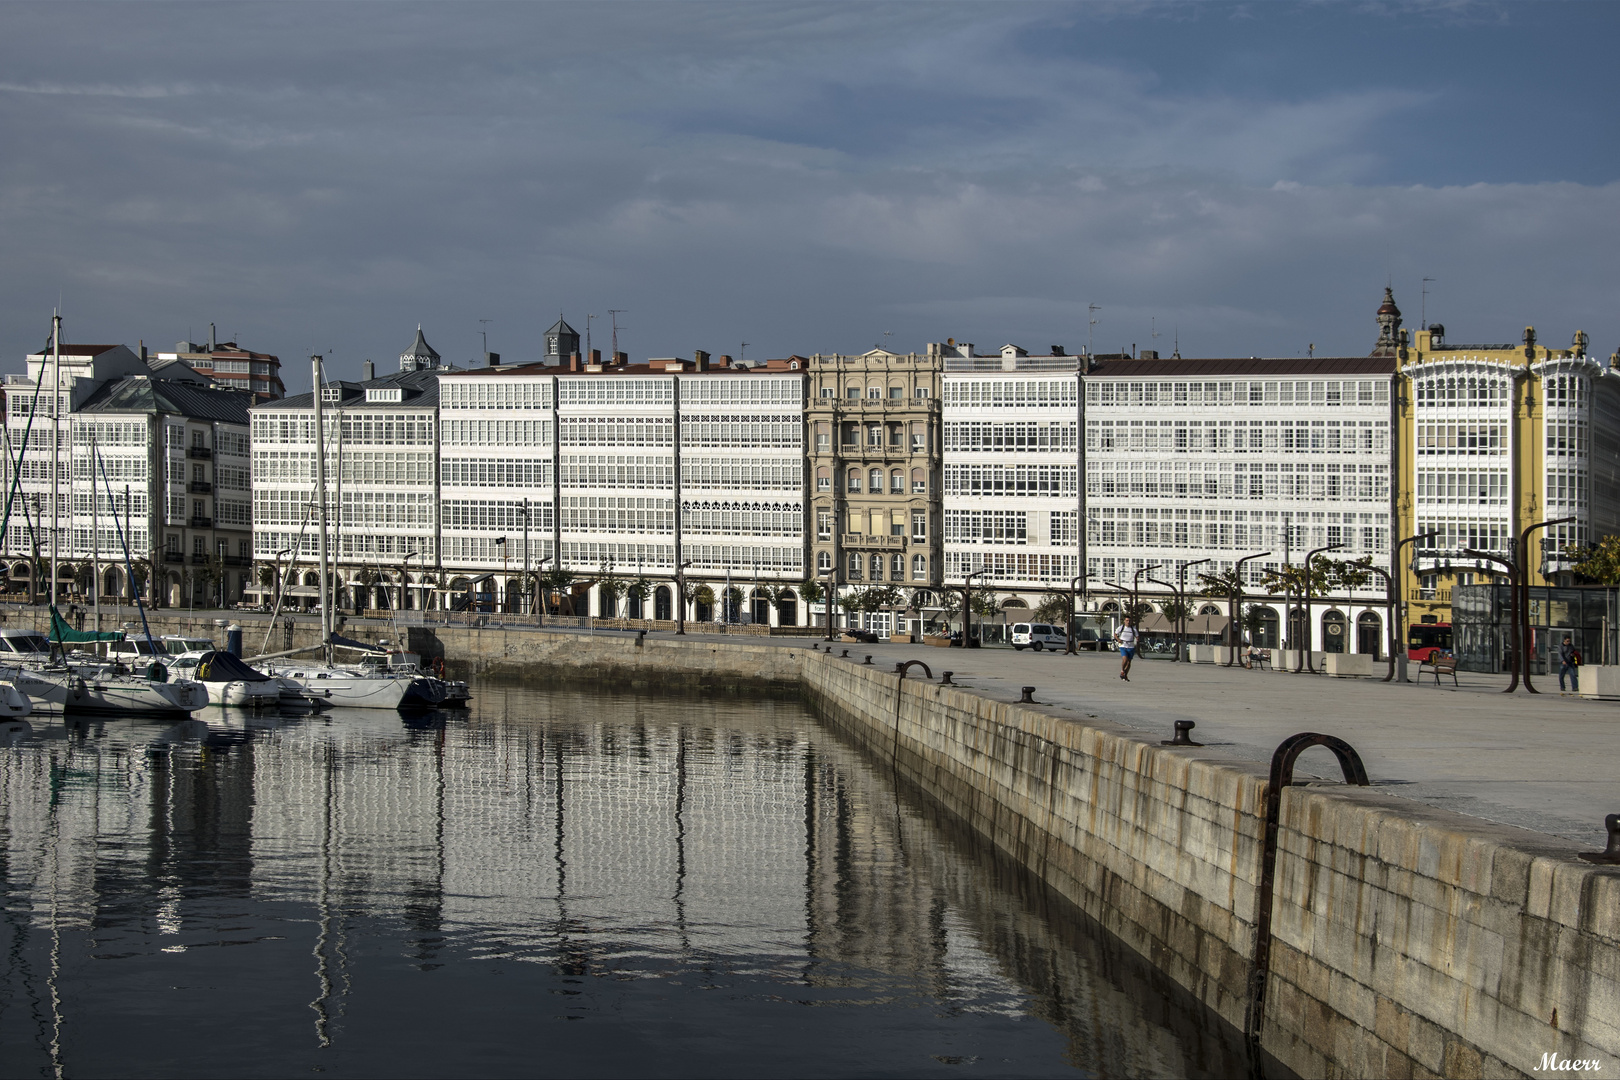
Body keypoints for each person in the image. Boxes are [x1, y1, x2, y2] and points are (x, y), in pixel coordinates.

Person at [1117, 617, 1139, 681]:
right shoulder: (1121, 627)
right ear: (1124, 621)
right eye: (1127, 620)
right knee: (1125, 659)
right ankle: (1122, 671)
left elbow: (1137, 636)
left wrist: (1137, 639)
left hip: (1131, 646)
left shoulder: (1133, 629)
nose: (1128, 622)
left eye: (1129, 620)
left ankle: (1125, 675)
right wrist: (1118, 639)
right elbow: (1115, 634)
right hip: (1123, 645)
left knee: (1129, 662)